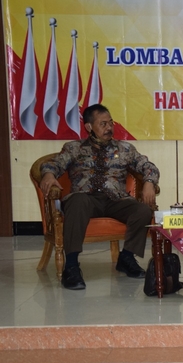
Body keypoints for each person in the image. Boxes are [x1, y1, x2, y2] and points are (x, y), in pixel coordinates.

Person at [40, 104, 159, 290]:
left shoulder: (125, 149)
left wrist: (149, 182)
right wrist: (48, 174)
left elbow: (148, 166)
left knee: (143, 210)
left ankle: (127, 258)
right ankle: (71, 266)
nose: (109, 128)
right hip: (85, 199)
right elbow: (52, 165)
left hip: (116, 200)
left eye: (110, 123)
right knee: (77, 201)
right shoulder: (74, 148)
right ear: (89, 127)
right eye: (103, 124)